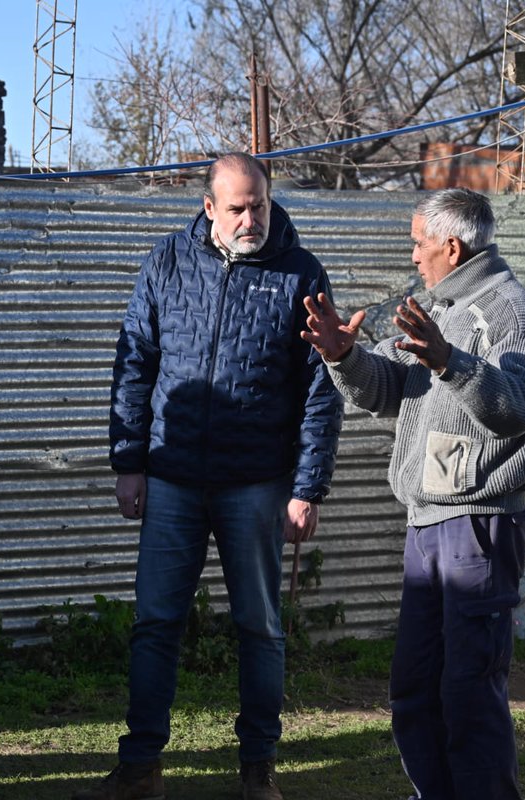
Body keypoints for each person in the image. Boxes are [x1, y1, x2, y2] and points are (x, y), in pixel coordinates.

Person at [76, 152, 344, 800]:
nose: (252, 218)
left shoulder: (300, 274)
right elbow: (134, 361)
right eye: (238, 208)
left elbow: (320, 391)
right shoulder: (166, 262)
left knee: (259, 625)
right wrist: (128, 461)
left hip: (256, 483)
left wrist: (308, 487)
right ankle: (140, 768)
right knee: (155, 622)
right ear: (209, 208)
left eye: (260, 204)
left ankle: (258, 770)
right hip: (170, 478)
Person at [301, 188, 525, 800]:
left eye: (418, 242)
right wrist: (344, 356)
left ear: (451, 244)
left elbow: (520, 406)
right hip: (427, 524)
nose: (412, 255)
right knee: (415, 688)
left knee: (469, 688)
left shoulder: (510, 312)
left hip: (480, 526)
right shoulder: (434, 309)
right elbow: (386, 385)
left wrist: (449, 362)